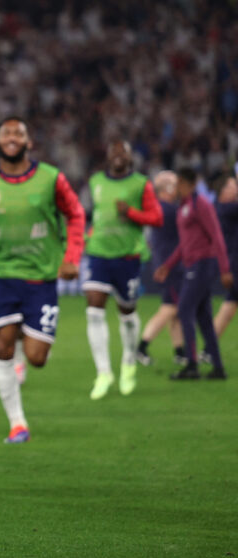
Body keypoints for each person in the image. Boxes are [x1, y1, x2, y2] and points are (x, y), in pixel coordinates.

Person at [0, 117, 85, 444]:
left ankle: (31, 342)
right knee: (2, 346)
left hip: (41, 280)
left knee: (37, 358)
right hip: (1, 277)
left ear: (29, 142)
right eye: (6, 133)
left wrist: (72, 257)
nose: (12, 137)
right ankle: (17, 423)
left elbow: (76, 215)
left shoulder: (51, 179)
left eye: (18, 133)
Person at [82, 140, 163, 399]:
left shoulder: (141, 184)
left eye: (123, 152)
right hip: (98, 254)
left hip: (127, 257)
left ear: (131, 158)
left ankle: (128, 362)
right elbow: (97, 216)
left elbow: (156, 218)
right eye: (113, 151)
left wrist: (131, 212)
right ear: (107, 156)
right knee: (94, 310)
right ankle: (103, 372)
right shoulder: (95, 181)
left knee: (126, 312)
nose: (118, 155)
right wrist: (89, 236)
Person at [153, 168, 232, 380]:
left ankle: (192, 365)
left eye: (178, 183)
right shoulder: (184, 207)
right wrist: (168, 265)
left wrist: (225, 269)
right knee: (204, 318)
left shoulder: (201, 204)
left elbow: (216, 236)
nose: (176, 188)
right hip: (192, 265)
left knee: (185, 309)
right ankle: (218, 368)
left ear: (188, 184)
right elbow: (184, 244)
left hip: (202, 265)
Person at [136, 171, 186, 366]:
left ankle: (180, 351)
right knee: (170, 308)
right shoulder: (171, 210)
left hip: (163, 264)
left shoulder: (157, 208)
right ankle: (141, 347)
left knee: (175, 309)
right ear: (168, 188)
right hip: (171, 266)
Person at [213, 176, 238, 338]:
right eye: (233, 185)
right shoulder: (227, 209)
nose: (236, 187)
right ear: (223, 191)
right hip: (235, 262)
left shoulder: (217, 207)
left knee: (229, 306)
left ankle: (209, 348)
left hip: (230, 262)